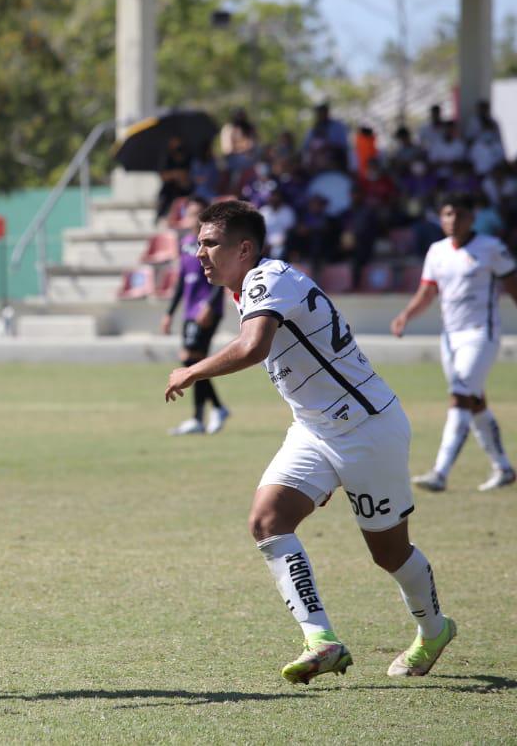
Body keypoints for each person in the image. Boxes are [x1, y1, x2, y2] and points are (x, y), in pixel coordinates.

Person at [164, 200, 455, 684]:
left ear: (245, 248)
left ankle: (434, 629)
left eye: (210, 243)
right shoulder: (247, 286)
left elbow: (253, 347)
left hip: (367, 428)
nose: (200, 253)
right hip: (314, 429)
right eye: (198, 243)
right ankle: (321, 640)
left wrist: (192, 369)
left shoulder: (267, 278)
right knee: (267, 519)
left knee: (388, 553)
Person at [390, 193, 517, 492]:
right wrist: (406, 316)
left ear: (472, 217)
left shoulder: (491, 248)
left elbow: (513, 286)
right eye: (447, 214)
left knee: (459, 395)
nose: (453, 220)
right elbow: (427, 292)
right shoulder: (437, 251)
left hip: (480, 333)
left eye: (459, 214)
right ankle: (503, 468)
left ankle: (441, 472)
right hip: (450, 337)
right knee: (474, 403)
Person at [161, 198, 229, 435]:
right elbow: (182, 280)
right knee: (192, 361)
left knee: (192, 358)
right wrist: (170, 313)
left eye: (198, 213)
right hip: (190, 310)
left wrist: (209, 306)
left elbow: (222, 276)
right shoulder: (187, 242)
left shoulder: (214, 244)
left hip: (206, 310)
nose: (193, 218)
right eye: (190, 213)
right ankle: (206, 414)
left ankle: (207, 414)